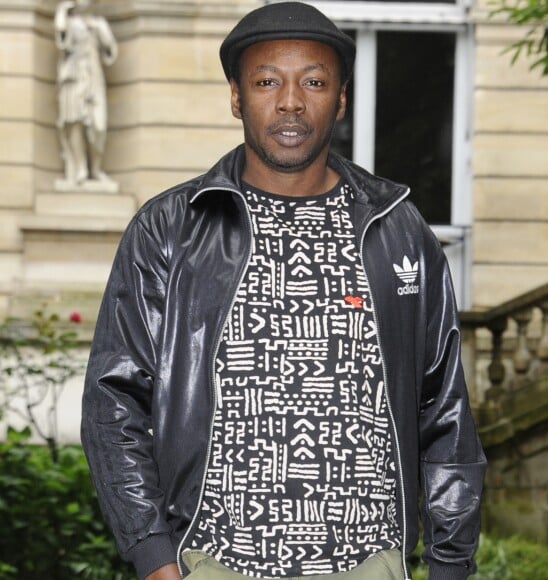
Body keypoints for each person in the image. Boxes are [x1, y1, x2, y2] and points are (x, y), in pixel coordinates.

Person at [81, 3, 486, 580]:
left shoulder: (399, 229)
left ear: (340, 98)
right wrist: (153, 555)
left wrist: (450, 566)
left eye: (314, 82)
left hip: (369, 564)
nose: (291, 101)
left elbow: (443, 409)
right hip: (215, 562)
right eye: (267, 81)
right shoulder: (171, 228)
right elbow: (112, 401)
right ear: (236, 96)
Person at [54, 0, 117, 186]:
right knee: (74, 121)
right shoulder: (69, 22)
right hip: (73, 78)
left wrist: (101, 33)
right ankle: (80, 167)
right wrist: (61, 12)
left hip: (94, 78)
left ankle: (95, 169)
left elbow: (110, 51)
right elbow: (61, 38)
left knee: (99, 126)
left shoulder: (99, 24)